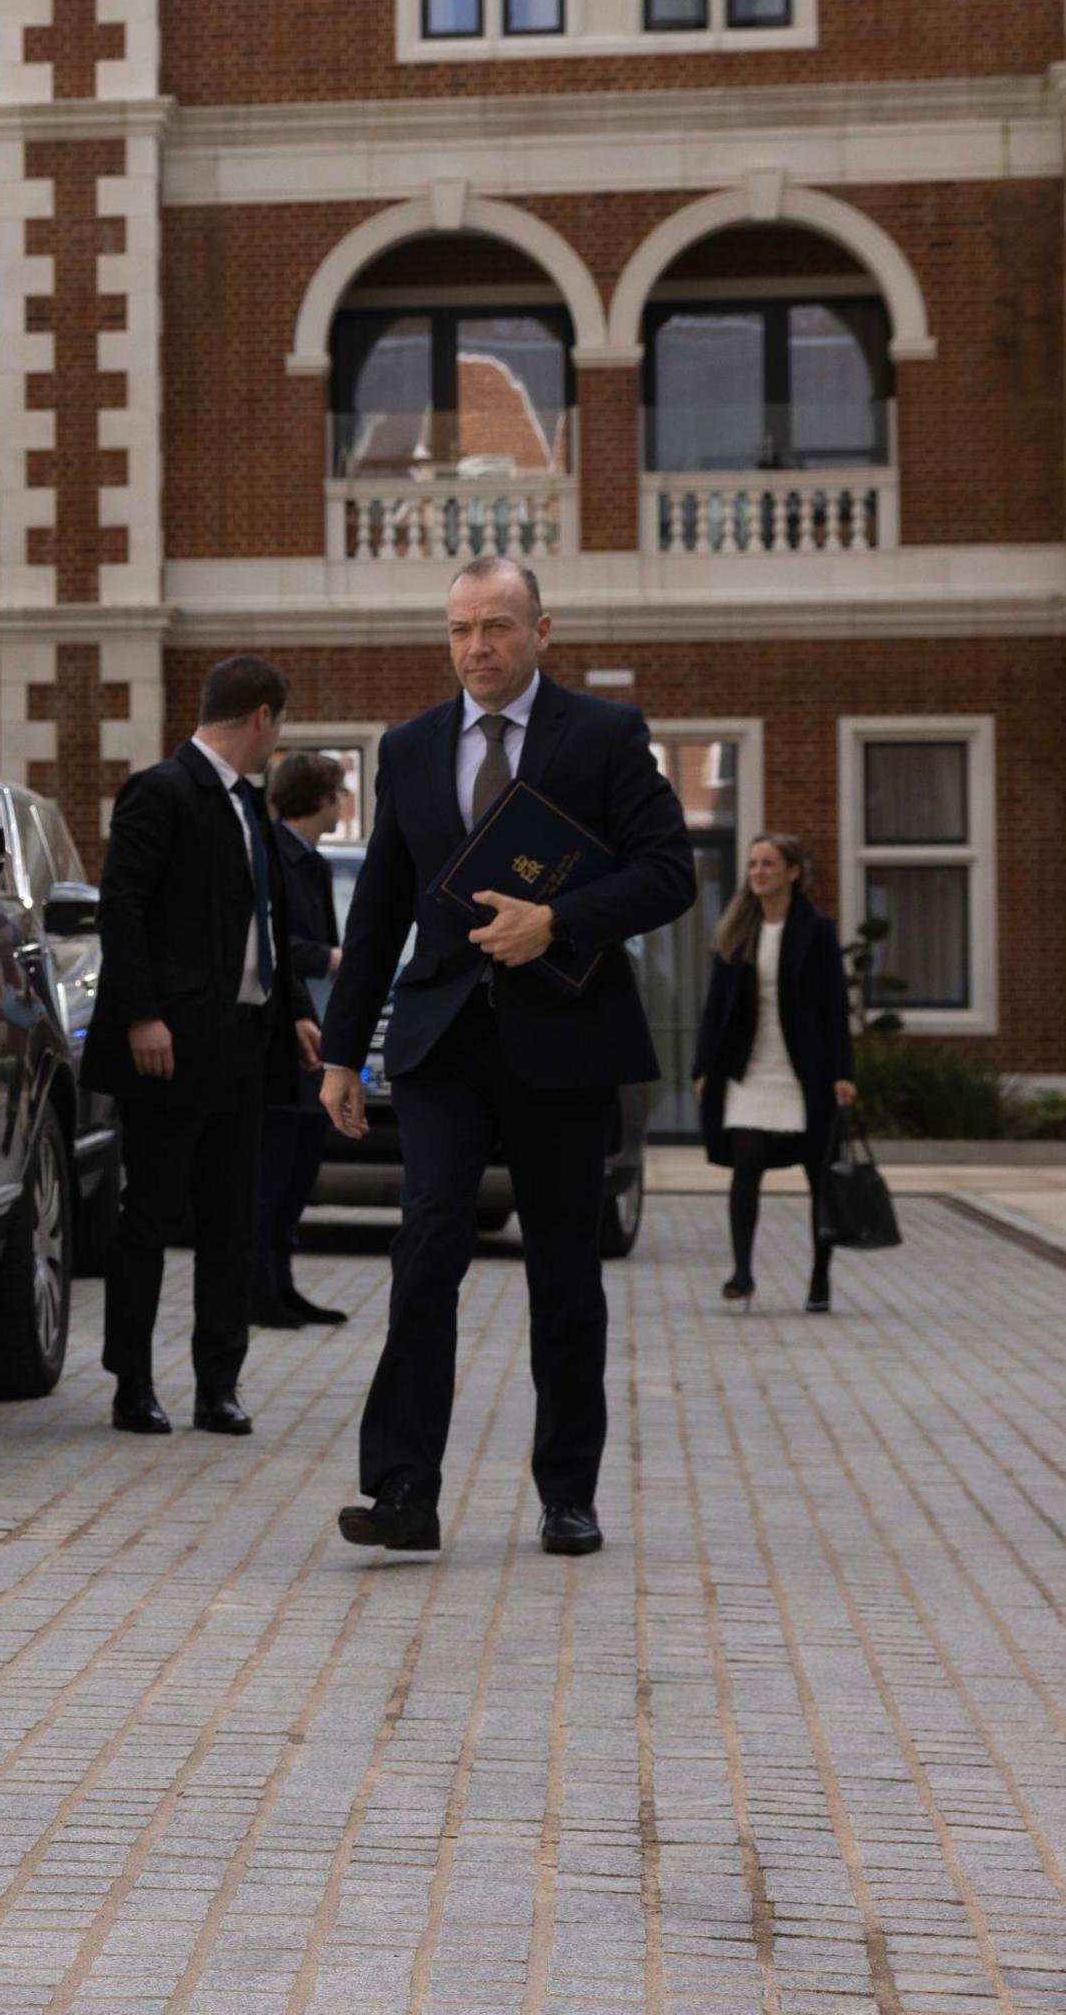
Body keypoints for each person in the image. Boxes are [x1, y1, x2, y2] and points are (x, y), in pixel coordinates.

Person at [318, 558, 694, 1559]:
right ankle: (403, 1488)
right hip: (443, 1039)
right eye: (458, 629)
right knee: (426, 1251)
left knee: (565, 1269)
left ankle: (568, 1492)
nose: (476, 646)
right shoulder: (409, 746)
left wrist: (558, 921)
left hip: (565, 1040)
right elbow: (381, 904)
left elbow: (670, 873)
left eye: (495, 626)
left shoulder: (608, 736)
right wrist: (343, 1054)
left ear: (541, 630)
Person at [84, 656, 311, 1440]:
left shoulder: (252, 808)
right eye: (279, 723)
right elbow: (123, 907)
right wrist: (141, 1014)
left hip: (243, 1045)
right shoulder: (163, 790)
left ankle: (220, 1384)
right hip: (170, 1048)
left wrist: (299, 1013)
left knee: (231, 1221)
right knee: (147, 1218)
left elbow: (270, 929)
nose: (278, 737)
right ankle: (132, 1383)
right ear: (261, 717)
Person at [693, 833, 855, 1312]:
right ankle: (742, 1273)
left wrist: (843, 1072)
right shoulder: (736, 929)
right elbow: (715, 1006)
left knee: (818, 1176)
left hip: (805, 1071)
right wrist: (704, 1067)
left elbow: (834, 1005)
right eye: (752, 864)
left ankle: (820, 1279)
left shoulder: (817, 929)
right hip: (748, 1069)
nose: (757, 872)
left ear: (792, 872)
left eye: (767, 864)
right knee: (746, 1166)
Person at [254, 750, 350, 1329]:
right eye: (340, 792)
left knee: (299, 1172)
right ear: (318, 798)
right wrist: (330, 956)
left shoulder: (313, 861)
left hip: (318, 1030)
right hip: (283, 1032)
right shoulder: (274, 855)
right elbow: (268, 938)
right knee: (273, 1171)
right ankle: (258, 1290)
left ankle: (282, 1285)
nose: (344, 803)